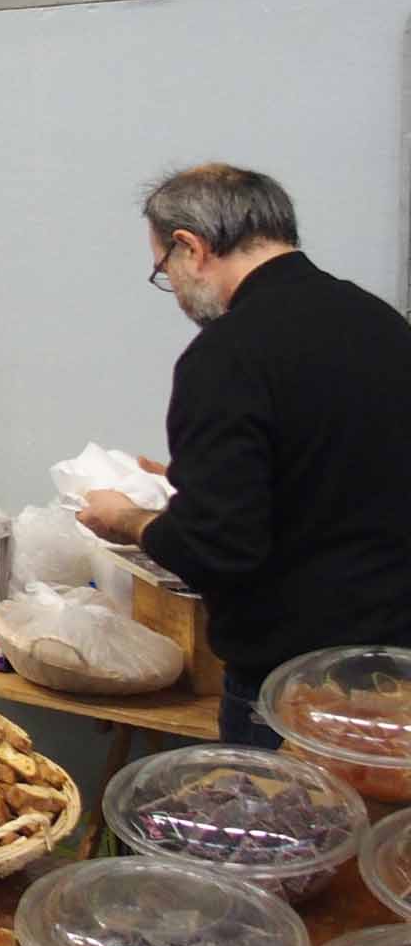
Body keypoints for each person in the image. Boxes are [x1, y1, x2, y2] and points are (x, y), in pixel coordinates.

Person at [78, 165, 411, 748]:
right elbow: (338, 466)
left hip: (293, 687)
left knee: (295, 833)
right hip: (394, 667)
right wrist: (188, 478)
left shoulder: (227, 355)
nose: (174, 289)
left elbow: (217, 547)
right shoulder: (381, 325)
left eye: (165, 269)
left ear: (191, 247)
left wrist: (126, 520)